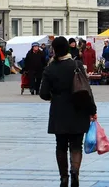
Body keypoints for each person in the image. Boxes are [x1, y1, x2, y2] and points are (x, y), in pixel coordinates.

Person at [40, 36, 97, 187]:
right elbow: (87, 90)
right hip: (78, 110)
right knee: (76, 145)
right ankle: (75, 171)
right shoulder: (76, 65)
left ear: (54, 50)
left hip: (59, 112)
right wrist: (92, 110)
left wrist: (54, 96)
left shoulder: (50, 68)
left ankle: (63, 178)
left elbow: (43, 93)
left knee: (61, 146)